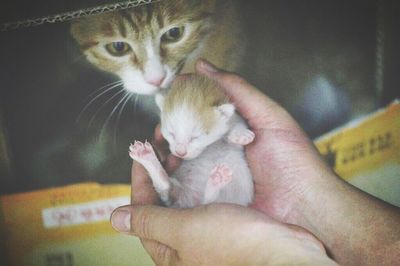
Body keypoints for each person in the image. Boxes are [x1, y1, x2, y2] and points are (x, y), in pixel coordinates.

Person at [111, 59, 400, 265]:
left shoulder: (226, 115)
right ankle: (155, 166)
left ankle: (203, 191)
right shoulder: (196, 121)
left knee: (201, 191)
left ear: (223, 115)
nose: (182, 150)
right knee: (173, 193)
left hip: (226, 188)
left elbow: (235, 125)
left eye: (195, 138)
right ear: (162, 109)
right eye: (172, 135)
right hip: (193, 187)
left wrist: (238, 133)